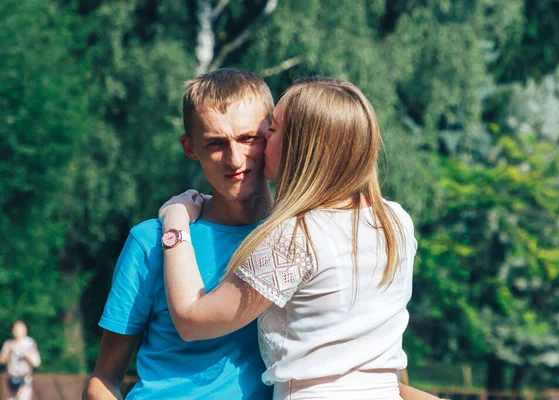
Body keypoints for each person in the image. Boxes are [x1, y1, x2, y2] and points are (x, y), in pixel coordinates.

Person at [159, 77, 419, 399]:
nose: (265, 137)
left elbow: (192, 321)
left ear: (300, 146)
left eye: (274, 128)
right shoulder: (395, 220)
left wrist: (175, 221)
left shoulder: (295, 237)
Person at [83, 68, 275, 399]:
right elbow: (103, 379)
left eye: (248, 138)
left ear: (272, 133)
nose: (234, 158)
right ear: (190, 147)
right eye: (215, 143)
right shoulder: (149, 241)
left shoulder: (304, 237)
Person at [0, 320, 41, 400]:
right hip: (11, 379)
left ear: (25, 330)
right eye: (15, 328)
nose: (17, 331)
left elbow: (36, 363)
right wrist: (9, 353)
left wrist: (26, 354)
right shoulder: (8, 344)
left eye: (20, 328)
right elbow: (1, 360)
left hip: (24, 379)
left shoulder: (30, 344)